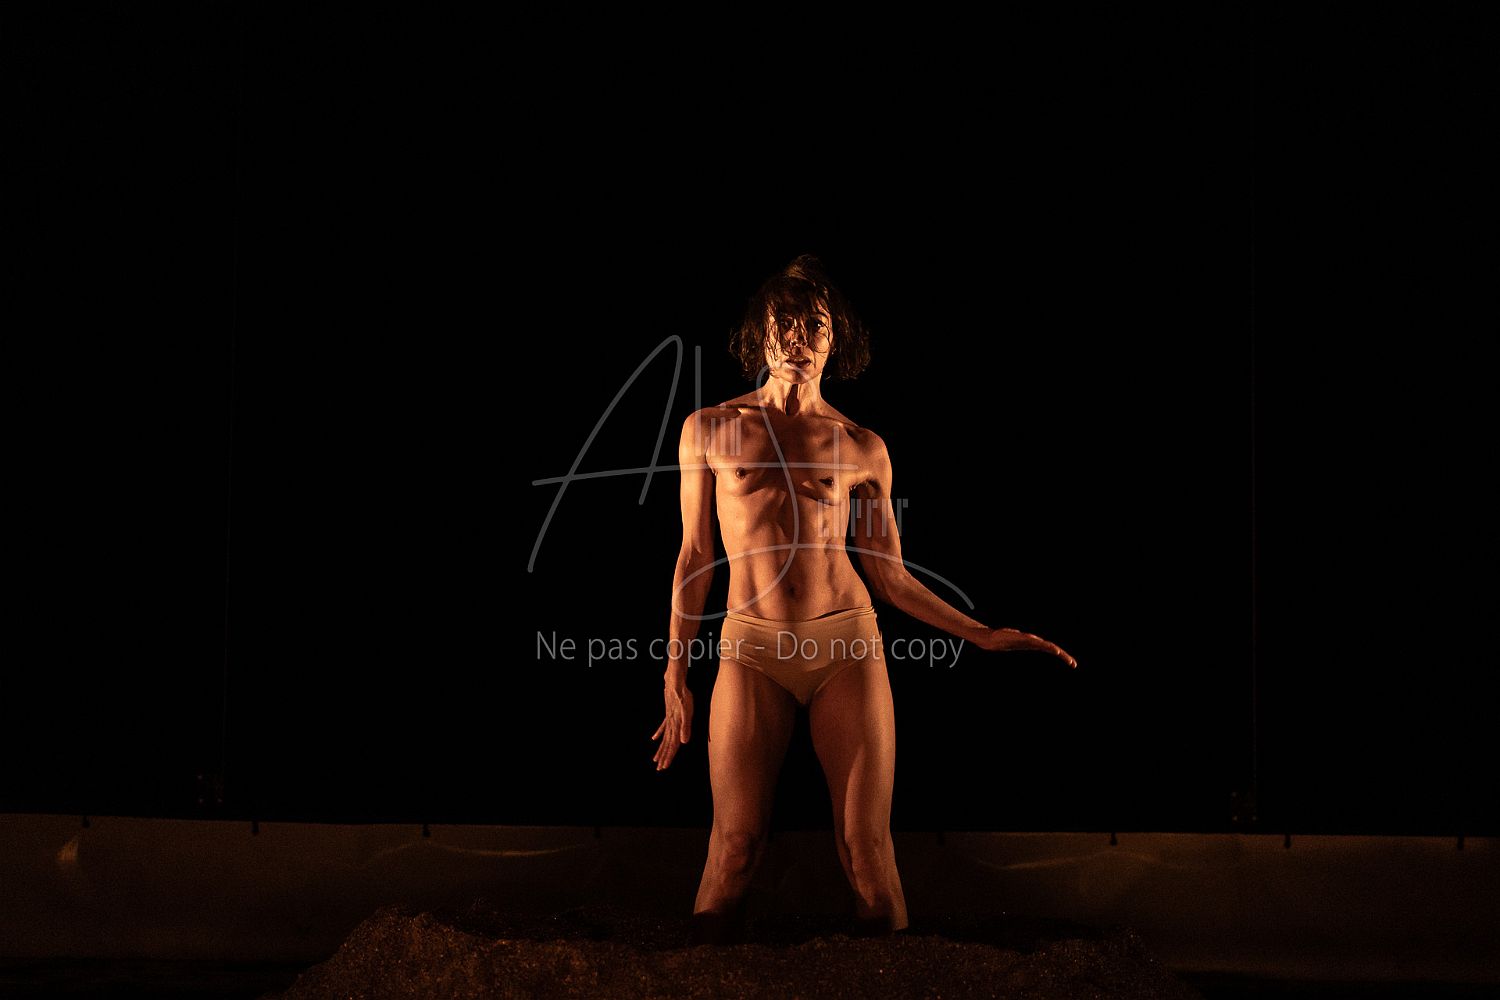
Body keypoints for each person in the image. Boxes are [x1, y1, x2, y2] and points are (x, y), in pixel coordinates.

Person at [651, 254, 1076, 945]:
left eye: (813, 326)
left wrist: (982, 633)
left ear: (834, 340)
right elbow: (695, 555)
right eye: (784, 323)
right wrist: (675, 674)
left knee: (868, 854)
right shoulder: (710, 429)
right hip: (751, 648)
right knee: (734, 849)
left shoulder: (861, 447)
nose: (797, 339)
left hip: (846, 643)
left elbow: (890, 576)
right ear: (759, 335)